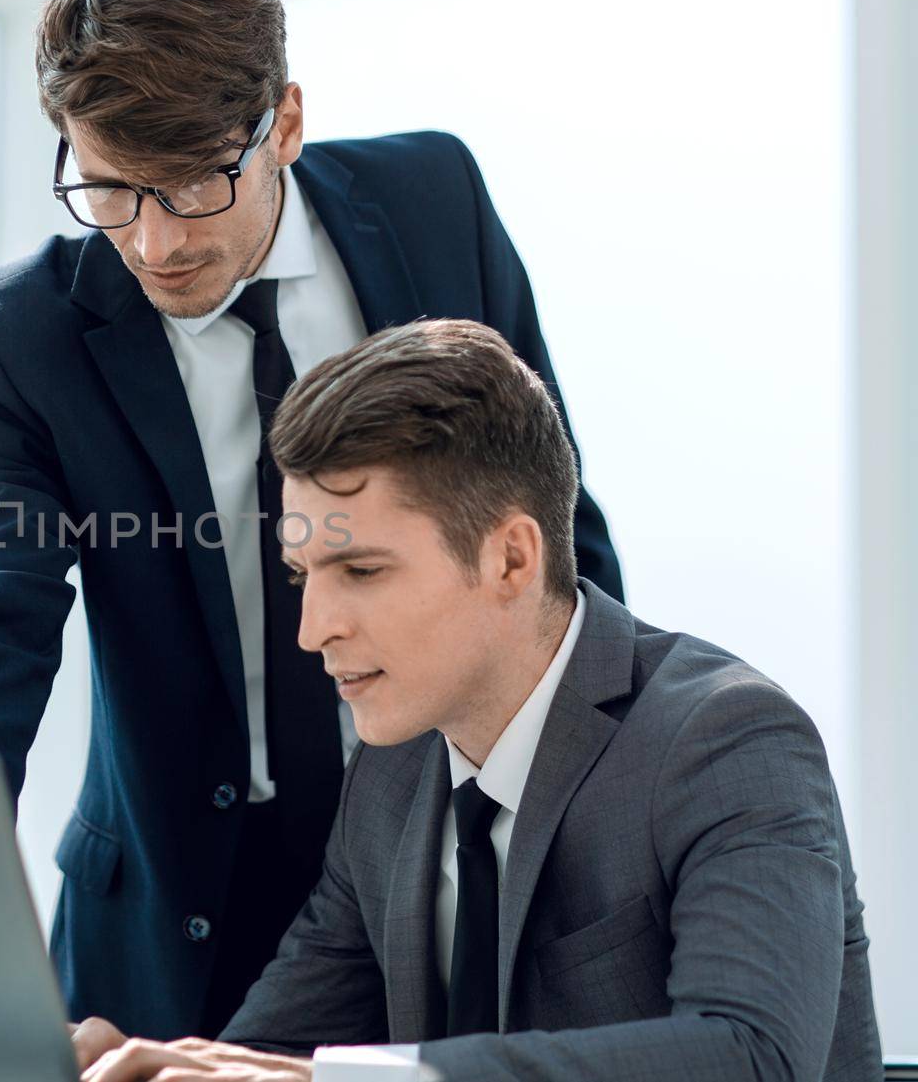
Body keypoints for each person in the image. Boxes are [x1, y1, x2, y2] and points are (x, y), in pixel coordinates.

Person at [0, 0, 623, 1040]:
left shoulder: (431, 201)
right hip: (168, 912)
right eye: (108, 191)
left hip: (447, 855)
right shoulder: (12, 339)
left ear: (281, 121)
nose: (154, 243)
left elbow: (553, 528)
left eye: (192, 186)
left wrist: (613, 804)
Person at [69, 319, 881, 1082]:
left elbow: (751, 1057)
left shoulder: (728, 740)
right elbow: (271, 1060)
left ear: (511, 558)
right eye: (300, 575)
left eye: (361, 571)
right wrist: (157, 1068)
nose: (312, 631)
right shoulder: (388, 778)